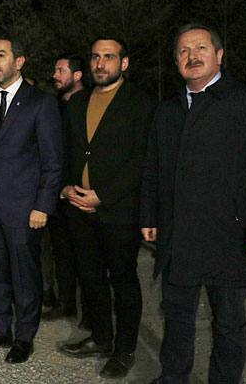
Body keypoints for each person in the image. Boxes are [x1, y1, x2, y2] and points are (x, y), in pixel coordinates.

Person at [141, 23, 246, 384]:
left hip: (230, 238)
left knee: (229, 323)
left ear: (219, 55)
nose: (192, 56)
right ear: (176, 61)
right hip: (180, 239)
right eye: (183, 51)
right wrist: (149, 215)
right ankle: (173, 378)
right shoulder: (168, 109)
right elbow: (153, 168)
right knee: (177, 317)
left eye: (201, 48)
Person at [58, 37, 156, 379]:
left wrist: (104, 195)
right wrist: (65, 187)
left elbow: (141, 159)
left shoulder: (141, 103)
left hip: (118, 212)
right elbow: (67, 151)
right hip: (78, 208)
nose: (101, 64)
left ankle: (125, 350)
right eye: (96, 57)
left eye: (109, 57)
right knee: (90, 278)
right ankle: (101, 338)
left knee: (124, 282)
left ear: (123, 63)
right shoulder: (77, 101)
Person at [0, 38, 62, 364]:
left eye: (0, 55)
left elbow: (52, 162)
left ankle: (24, 337)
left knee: (24, 276)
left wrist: (43, 205)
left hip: (24, 208)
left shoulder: (41, 103)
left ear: (19, 62)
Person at [42, 53, 88, 328]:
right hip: (59, 194)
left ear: (77, 75)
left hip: (84, 194)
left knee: (88, 258)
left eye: (60, 70)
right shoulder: (53, 106)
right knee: (61, 253)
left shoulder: (91, 103)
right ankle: (66, 303)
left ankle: (91, 312)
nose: (55, 75)